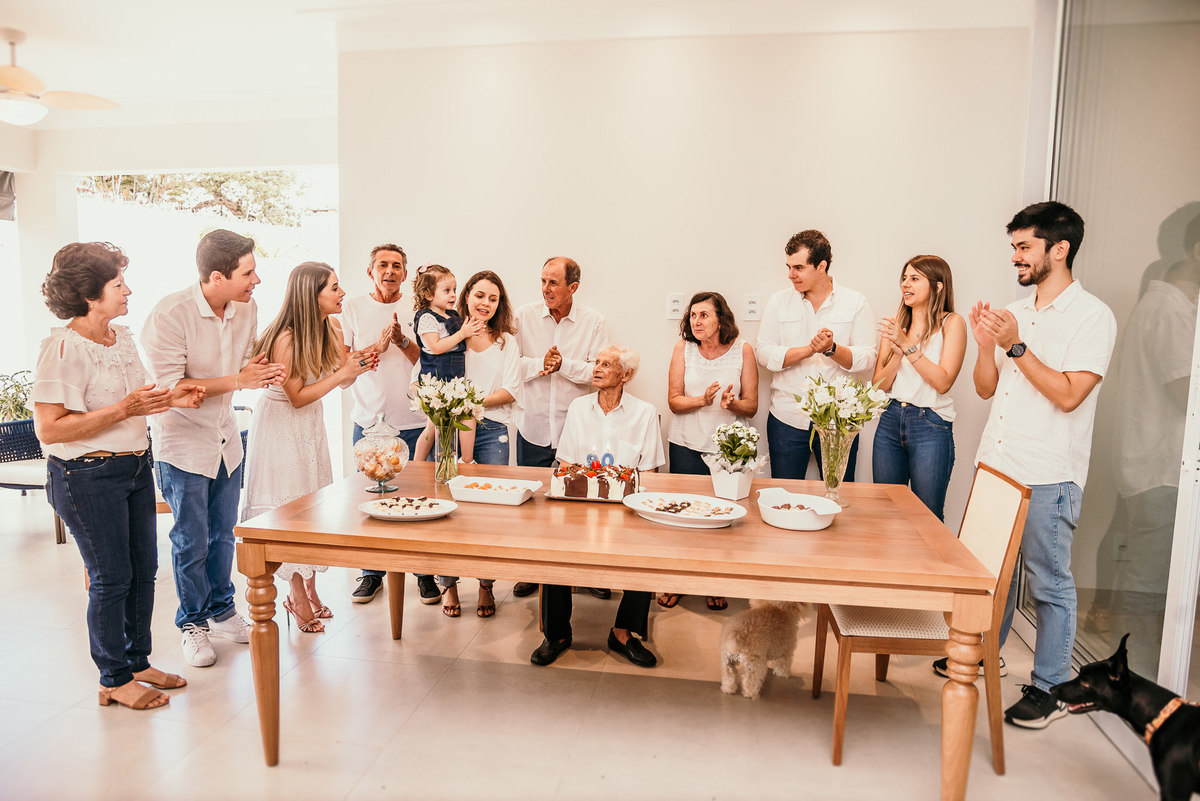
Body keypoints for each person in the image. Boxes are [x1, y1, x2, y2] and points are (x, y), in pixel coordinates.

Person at [935, 201, 1117, 729]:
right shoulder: (1016, 310)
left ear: (1059, 249)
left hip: (1048, 473)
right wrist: (986, 347)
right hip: (996, 464)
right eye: (1013, 246)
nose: (1014, 256)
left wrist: (1014, 344)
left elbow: (1068, 395)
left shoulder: (1092, 317)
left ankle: (1051, 688)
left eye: (1023, 246)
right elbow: (985, 389)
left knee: (1048, 584)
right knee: (990, 575)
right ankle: (981, 655)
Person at [34, 242, 205, 710]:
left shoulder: (121, 338)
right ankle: (112, 678)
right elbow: (50, 429)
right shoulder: (63, 348)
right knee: (111, 578)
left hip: (133, 467)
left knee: (144, 571)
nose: (128, 291)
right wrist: (125, 409)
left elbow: (138, 400)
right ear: (90, 295)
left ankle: (136, 662)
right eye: (118, 284)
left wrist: (172, 398)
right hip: (85, 476)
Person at [142, 229, 287, 668]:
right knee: (191, 540)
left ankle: (222, 610)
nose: (257, 280)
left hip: (226, 437)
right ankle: (192, 622)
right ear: (217, 277)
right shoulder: (170, 315)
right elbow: (172, 389)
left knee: (224, 534)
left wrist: (259, 370)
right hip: (182, 442)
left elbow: (243, 366)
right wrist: (242, 379)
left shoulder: (247, 307)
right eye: (248, 272)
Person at [241, 262, 377, 633]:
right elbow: (297, 397)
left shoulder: (330, 327)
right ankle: (296, 596)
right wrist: (343, 373)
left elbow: (341, 379)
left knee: (310, 505)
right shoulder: (285, 339)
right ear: (311, 295)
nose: (342, 293)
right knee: (289, 508)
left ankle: (312, 590)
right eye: (334, 287)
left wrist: (358, 366)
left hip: (309, 424)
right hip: (282, 424)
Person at [530, 345, 665, 668]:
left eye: (606, 364)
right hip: (580, 502)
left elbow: (649, 471)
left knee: (644, 551)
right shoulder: (579, 407)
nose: (597, 368)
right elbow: (565, 463)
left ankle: (623, 632)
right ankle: (556, 634)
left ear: (625, 375)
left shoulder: (644, 413)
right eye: (597, 363)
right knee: (555, 548)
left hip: (626, 505)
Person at [341, 243, 440, 606]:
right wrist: (378, 346)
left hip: (415, 422)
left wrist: (401, 341)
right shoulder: (351, 308)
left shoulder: (419, 309)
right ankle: (371, 573)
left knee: (422, 502)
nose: (390, 271)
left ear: (405, 273)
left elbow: (429, 359)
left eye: (397, 266)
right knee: (372, 502)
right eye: (383, 265)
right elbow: (344, 365)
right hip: (369, 424)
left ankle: (424, 573)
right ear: (371, 272)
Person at [511, 257, 609, 599]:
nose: (546, 289)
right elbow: (510, 366)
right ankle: (532, 571)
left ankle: (585, 572)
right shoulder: (523, 316)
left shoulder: (593, 322)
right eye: (543, 281)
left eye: (553, 283)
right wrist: (542, 363)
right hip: (533, 424)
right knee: (532, 502)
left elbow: (598, 373)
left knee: (580, 503)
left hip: (576, 428)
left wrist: (563, 364)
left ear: (573, 287)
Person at [660, 291, 758, 611]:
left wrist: (733, 404)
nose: (696, 321)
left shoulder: (743, 349)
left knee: (723, 515)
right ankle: (678, 580)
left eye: (704, 315)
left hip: (728, 449)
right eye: (693, 315)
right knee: (684, 513)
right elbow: (674, 401)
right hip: (686, 442)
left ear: (720, 319)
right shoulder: (684, 348)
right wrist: (702, 400)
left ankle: (716, 582)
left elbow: (751, 406)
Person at [436, 269, 522, 618]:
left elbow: (510, 390)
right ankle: (448, 584)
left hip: (492, 428)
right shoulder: (448, 333)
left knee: (489, 511)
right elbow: (421, 376)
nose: (485, 303)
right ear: (466, 296)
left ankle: (486, 584)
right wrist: (448, 406)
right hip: (449, 428)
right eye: (480, 295)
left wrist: (468, 403)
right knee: (446, 508)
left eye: (493, 298)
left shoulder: (506, 342)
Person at [756, 229, 875, 481]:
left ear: (821, 266)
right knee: (785, 495)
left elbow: (867, 358)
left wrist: (832, 349)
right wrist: (808, 350)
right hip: (787, 417)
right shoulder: (779, 302)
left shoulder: (856, 302)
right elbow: (763, 353)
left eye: (799, 268)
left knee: (838, 492)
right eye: (789, 267)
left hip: (839, 420)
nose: (791, 275)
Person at [871, 256, 966, 521]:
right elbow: (878, 386)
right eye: (904, 278)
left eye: (914, 278)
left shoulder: (952, 323)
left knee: (927, 517)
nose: (905, 284)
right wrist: (897, 355)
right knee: (887, 513)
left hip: (930, 425)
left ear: (938, 286)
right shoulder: (895, 325)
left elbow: (943, 382)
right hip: (890, 420)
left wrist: (907, 346)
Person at [409, 264, 484, 463]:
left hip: (454, 379)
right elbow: (435, 347)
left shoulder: (452, 315)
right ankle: (417, 462)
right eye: (447, 290)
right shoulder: (426, 317)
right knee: (433, 426)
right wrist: (462, 334)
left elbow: (463, 342)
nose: (453, 295)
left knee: (465, 415)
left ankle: (466, 460)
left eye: (454, 290)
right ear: (428, 294)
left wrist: (473, 331)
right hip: (437, 377)